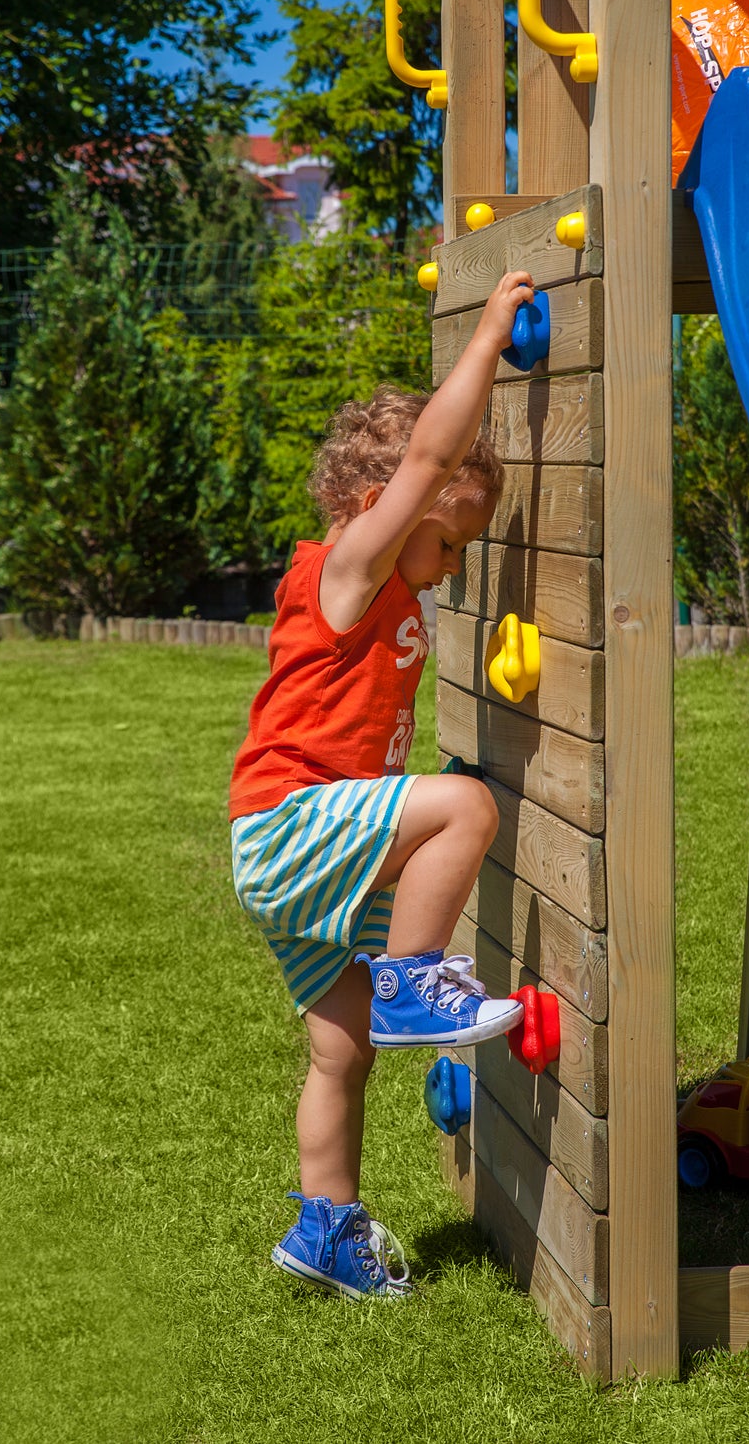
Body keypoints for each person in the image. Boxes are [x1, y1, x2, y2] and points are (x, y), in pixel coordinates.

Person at [228, 269, 536, 1302]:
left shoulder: (385, 583)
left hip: (291, 855)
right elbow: (431, 457)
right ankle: (412, 984)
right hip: (289, 825)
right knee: (468, 805)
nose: (450, 565)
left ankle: (325, 1229)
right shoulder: (348, 569)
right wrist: (488, 338)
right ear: (379, 509)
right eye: (446, 539)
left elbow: (436, 476)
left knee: (339, 1051)